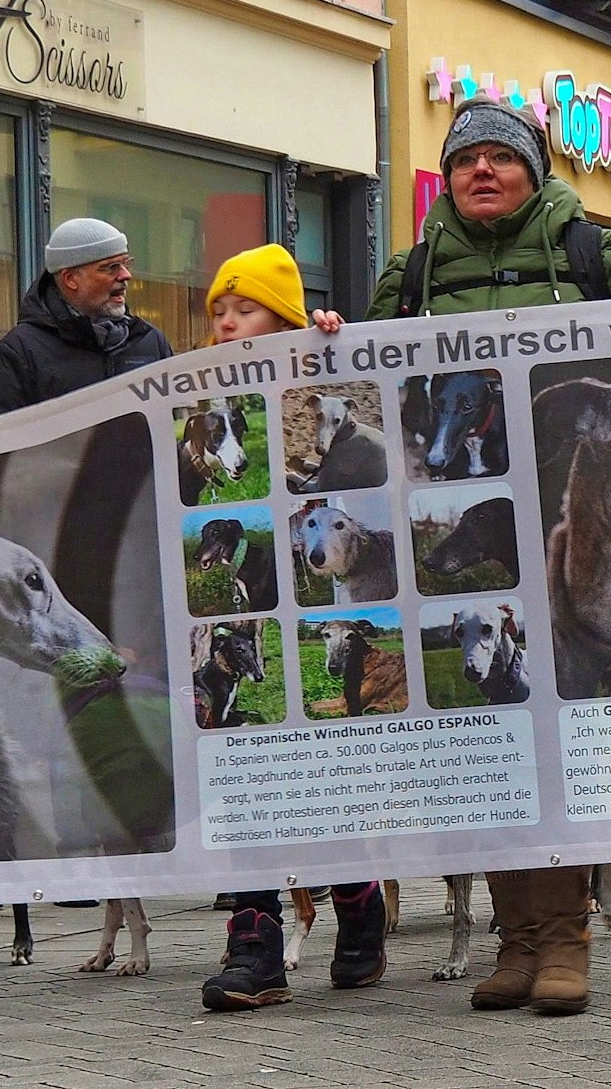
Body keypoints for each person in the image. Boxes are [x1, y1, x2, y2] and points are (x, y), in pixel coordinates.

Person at [365, 96, 611, 1013]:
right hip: (470, 529)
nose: (482, 170)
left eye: (501, 156)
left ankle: (566, 937)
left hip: (561, 529)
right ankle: (516, 939)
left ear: (534, 169)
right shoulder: (408, 274)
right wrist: (330, 340)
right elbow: (372, 386)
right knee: (478, 739)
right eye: (465, 160)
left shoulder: (587, 251)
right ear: (446, 178)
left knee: (549, 732)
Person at [183, 244, 378, 1013]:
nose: (229, 323)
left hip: (312, 610)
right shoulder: (193, 390)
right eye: (220, 312)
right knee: (248, 777)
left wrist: (331, 339)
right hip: (239, 621)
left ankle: (358, 905)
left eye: (246, 309)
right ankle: (255, 939)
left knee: (323, 781)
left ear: (286, 317)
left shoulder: (314, 366)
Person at [0, 218, 171, 417]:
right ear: (70, 279)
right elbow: (1, 442)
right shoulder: (19, 353)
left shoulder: (150, 341)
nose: (125, 276)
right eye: (110, 267)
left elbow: (176, 425)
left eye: (126, 264)